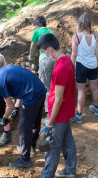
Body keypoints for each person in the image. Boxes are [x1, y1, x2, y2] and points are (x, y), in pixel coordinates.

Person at [0, 64, 46, 168]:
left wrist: (4, 118)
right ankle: (31, 146)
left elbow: (9, 106)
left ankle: (25, 159)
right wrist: (17, 107)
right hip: (39, 88)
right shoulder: (1, 72)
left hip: (32, 95)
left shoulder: (0, 83)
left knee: (23, 127)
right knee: (35, 121)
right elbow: (22, 84)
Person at [37, 33, 77, 178]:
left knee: (52, 149)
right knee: (68, 143)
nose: (44, 55)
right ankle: (71, 171)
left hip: (59, 115)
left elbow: (58, 99)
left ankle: (46, 175)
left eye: (43, 52)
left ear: (49, 50)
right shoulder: (67, 59)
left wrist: (50, 122)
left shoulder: (60, 69)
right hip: (65, 113)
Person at [70, 12, 98, 123]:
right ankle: (96, 108)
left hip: (81, 65)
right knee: (94, 87)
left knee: (81, 90)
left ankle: (79, 115)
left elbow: (74, 55)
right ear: (89, 24)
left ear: (80, 24)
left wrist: (71, 67)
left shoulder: (76, 37)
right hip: (93, 65)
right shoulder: (95, 36)